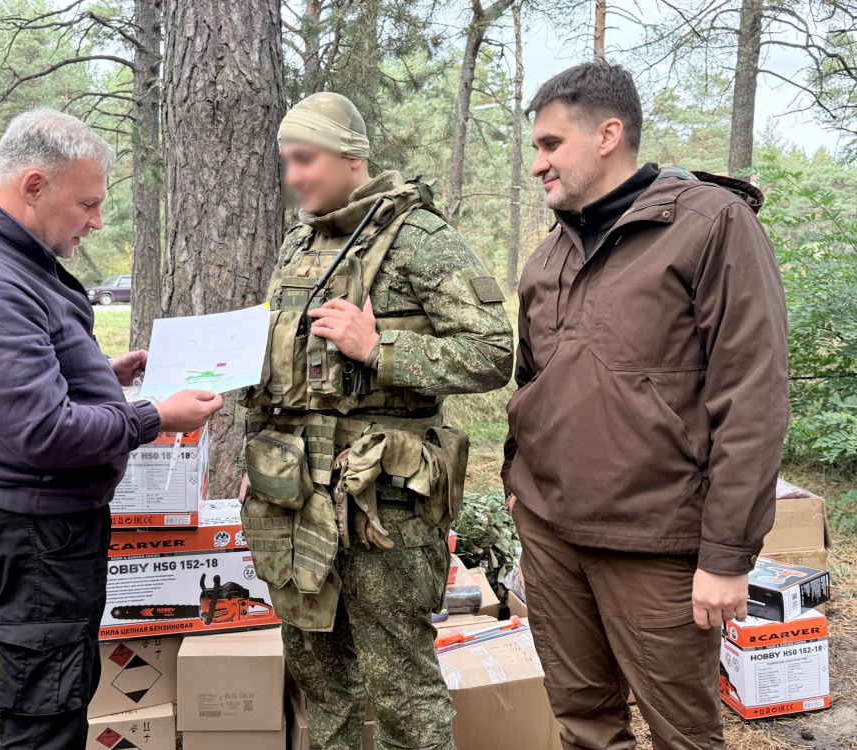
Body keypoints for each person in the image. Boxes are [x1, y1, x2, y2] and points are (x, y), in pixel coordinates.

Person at [502, 60, 789, 750]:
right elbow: (532, 380)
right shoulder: (548, 257)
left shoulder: (711, 225)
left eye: (549, 145)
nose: (536, 165)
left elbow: (752, 396)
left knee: (682, 735)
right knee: (583, 723)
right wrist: (518, 483)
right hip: (550, 530)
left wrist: (726, 554)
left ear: (608, 134)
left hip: (653, 539)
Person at [0, 108, 223, 750]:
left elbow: (23, 381)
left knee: (61, 691)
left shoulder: (10, 260)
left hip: (47, 528)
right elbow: (43, 432)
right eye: (86, 203)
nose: (96, 221)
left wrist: (100, 373)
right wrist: (155, 416)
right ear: (34, 185)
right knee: (44, 717)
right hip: (34, 537)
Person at [238, 92, 514, 750]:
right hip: (297, 501)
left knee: (403, 694)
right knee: (322, 682)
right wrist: (258, 458)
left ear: (351, 156)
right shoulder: (299, 241)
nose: (294, 176)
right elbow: (283, 368)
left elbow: (493, 354)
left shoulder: (419, 238)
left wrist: (378, 349)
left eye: (305, 159)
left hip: (384, 509)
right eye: (287, 162)